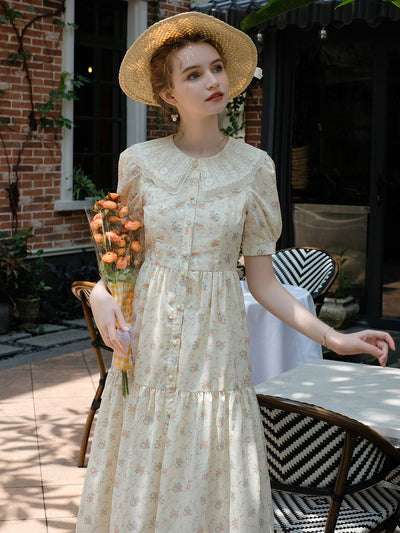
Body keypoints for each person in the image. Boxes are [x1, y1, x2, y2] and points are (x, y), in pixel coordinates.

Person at [76, 11, 395, 532]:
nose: (212, 80)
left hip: (216, 348)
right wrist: (99, 294)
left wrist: (334, 339)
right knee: (146, 451)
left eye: (217, 68)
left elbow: (263, 283)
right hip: (150, 343)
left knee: (208, 451)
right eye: (194, 74)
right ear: (168, 94)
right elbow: (122, 260)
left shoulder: (255, 167)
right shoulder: (138, 162)